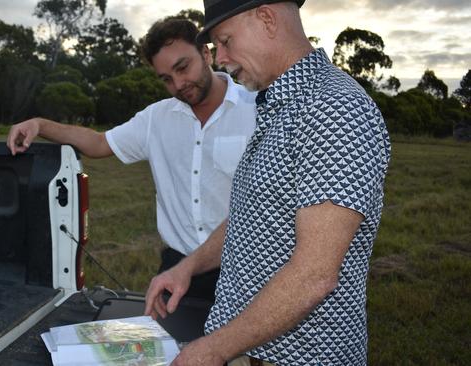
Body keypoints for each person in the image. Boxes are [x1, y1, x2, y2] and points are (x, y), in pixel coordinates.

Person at [144, 1, 391, 365]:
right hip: (258, 349)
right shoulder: (281, 104)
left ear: (266, 18)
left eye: (225, 40)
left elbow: (314, 274)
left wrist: (213, 349)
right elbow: (255, 216)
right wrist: (188, 267)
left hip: (304, 357)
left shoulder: (333, 109)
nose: (221, 58)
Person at [6, 18, 257, 301]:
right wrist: (39, 124)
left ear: (206, 53)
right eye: (166, 79)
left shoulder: (258, 109)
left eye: (182, 68)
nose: (178, 84)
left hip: (248, 269)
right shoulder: (156, 119)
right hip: (178, 273)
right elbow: (99, 143)